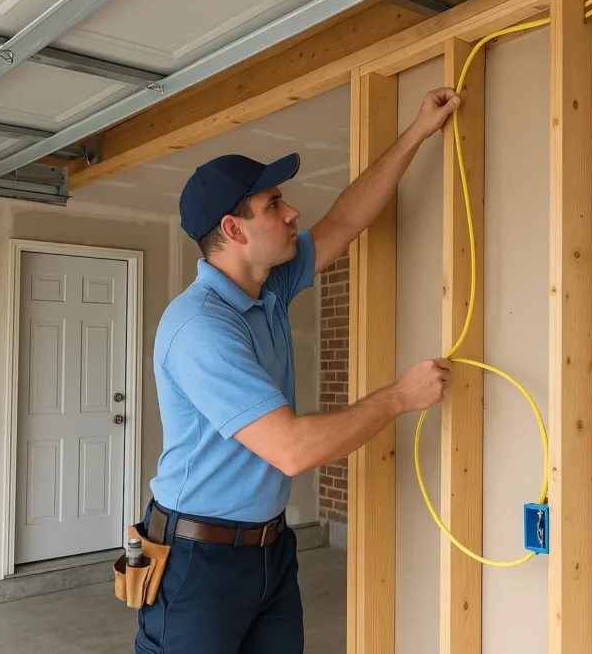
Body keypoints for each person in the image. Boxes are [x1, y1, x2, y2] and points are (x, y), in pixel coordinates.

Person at [134, 86, 462, 654]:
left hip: (270, 550)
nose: (292, 213)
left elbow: (346, 218)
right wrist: (398, 398)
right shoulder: (200, 329)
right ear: (233, 230)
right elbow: (291, 449)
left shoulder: (268, 288)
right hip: (198, 563)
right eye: (273, 205)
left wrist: (417, 132)